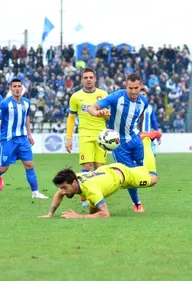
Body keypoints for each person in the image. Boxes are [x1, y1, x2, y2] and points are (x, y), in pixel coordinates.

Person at [39, 131, 161, 219]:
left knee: (153, 178)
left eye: (64, 188)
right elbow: (59, 194)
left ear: (74, 183)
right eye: (61, 188)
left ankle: (146, 140)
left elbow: (105, 214)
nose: (63, 191)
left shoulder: (90, 189)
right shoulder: (72, 179)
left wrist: (78, 216)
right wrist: (50, 213)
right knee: (92, 211)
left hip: (123, 175)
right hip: (107, 172)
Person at [87, 74, 154, 213]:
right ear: (126, 86)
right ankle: (137, 203)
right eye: (130, 88)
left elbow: (139, 116)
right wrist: (97, 113)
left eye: (136, 88)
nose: (134, 91)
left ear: (141, 86)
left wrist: (140, 131)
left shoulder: (144, 101)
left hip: (135, 139)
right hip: (119, 143)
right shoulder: (116, 97)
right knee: (130, 175)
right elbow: (91, 107)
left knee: (141, 171)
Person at [0, 78, 48, 199]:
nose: (17, 88)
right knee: (3, 167)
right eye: (15, 86)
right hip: (9, 140)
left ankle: (35, 192)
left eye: (19, 86)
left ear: (22, 88)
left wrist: (29, 134)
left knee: (29, 164)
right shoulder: (5, 103)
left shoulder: (27, 102)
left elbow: (27, 117)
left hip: (23, 139)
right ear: (11, 88)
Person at [65, 68, 108, 206]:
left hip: (101, 135)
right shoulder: (76, 97)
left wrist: (104, 113)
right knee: (87, 166)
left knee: (100, 168)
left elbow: (109, 114)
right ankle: (84, 196)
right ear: (82, 79)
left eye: (91, 77)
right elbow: (71, 118)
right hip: (85, 135)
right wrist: (68, 138)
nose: (88, 79)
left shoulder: (103, 94)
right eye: (86, 77)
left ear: (95, 79)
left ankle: (97, 195)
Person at [139, 87, 160, 155]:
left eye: (144, 94)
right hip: (137, 136)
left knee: (152, 155)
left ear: (146, 95)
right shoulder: (133, 106)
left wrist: (158, 138)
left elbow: (154, 122)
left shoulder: (150, 107)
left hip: (148, 136)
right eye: (140, 94)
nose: (142, 96)